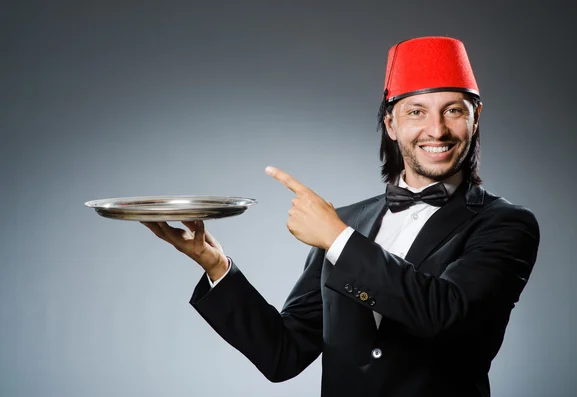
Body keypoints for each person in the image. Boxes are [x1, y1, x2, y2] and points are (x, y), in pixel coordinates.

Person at [141, 36, 540, 397]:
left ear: (475, 118)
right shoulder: (348, 220)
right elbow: (283, 353)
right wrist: (216, 265)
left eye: (453, 110)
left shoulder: (506, 224)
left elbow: (446, 315)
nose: (436, 130)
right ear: (391, 124)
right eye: (416, 111)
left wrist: (337, 239)